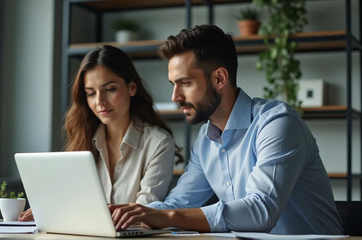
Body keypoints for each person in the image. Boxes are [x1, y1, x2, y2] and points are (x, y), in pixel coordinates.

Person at [109, 25, 343, 234]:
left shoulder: (278, 123)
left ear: (219, 78)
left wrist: (164, 216)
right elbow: (179, 203)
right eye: (173, 84)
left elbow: (261, 210)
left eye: (185, 83)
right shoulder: (206, 139)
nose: (175, 97)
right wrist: (132, 214)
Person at [19, 45, 181, 221]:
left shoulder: (158, 143)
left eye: (110, 89)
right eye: (90, 93)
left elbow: (142, 211)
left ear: (131, 88)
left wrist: (70, 211)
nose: (99, 102)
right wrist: (51, 209)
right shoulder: (83, 138)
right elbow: (70, 200)